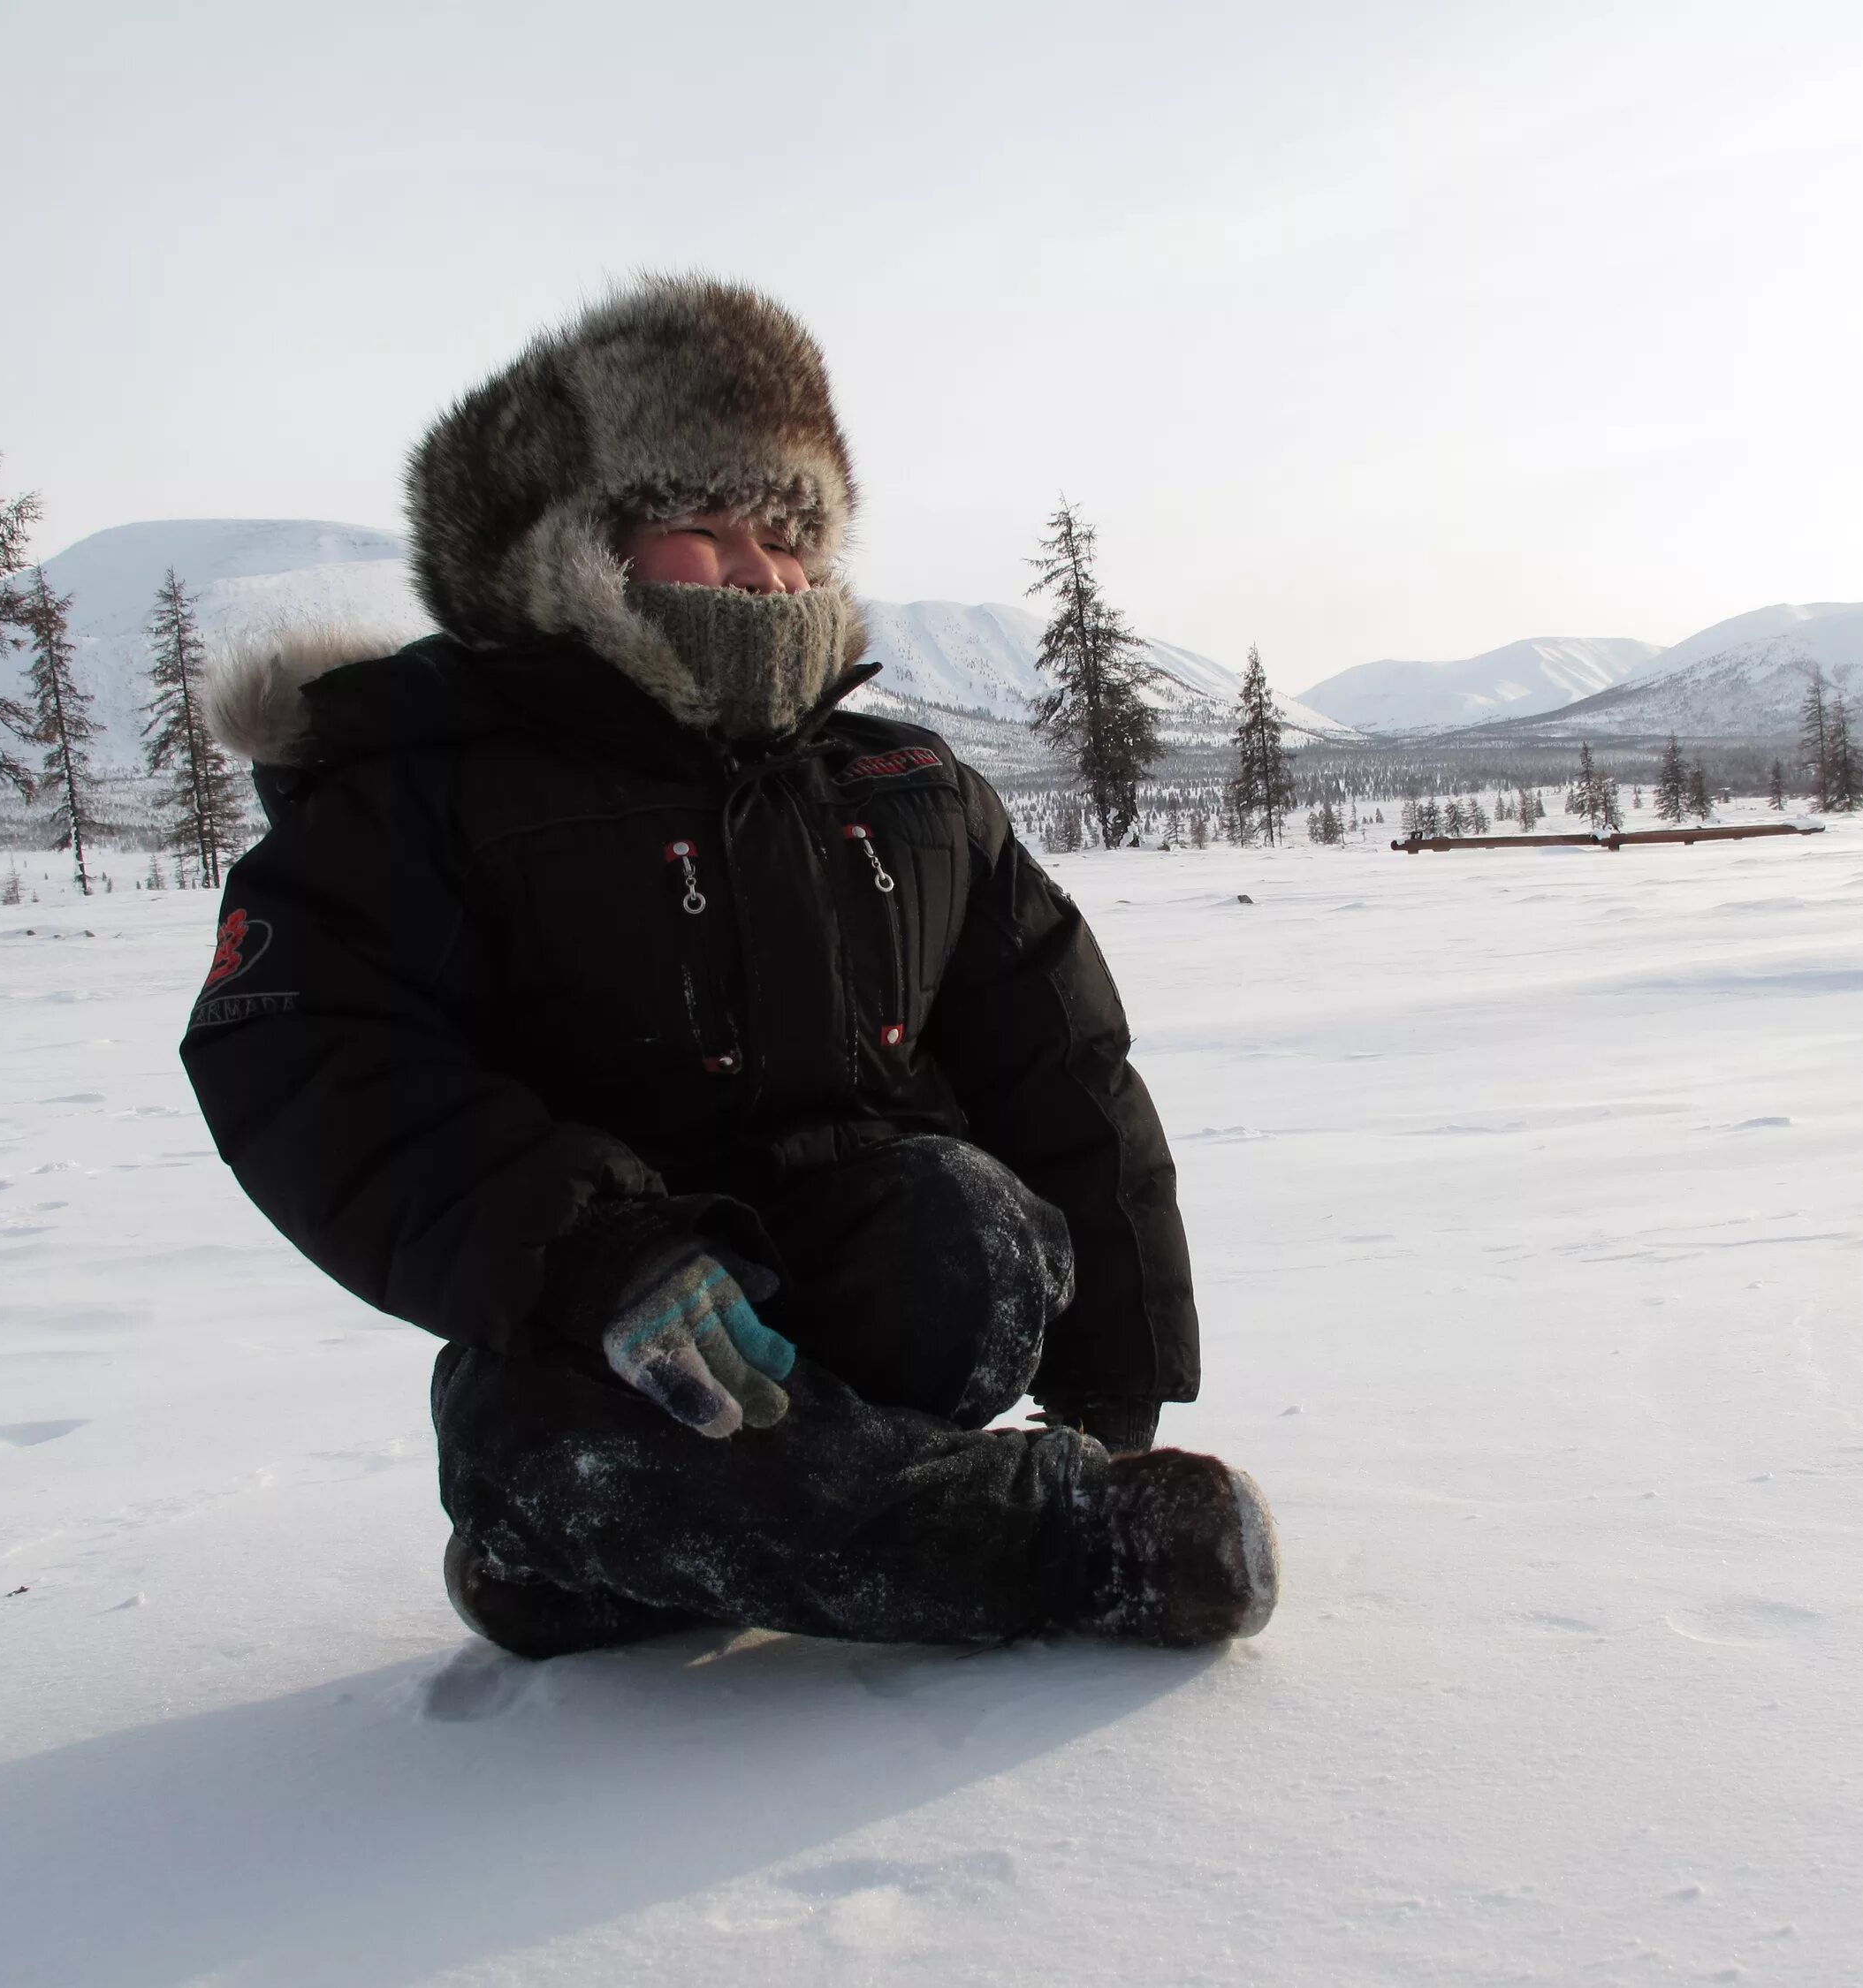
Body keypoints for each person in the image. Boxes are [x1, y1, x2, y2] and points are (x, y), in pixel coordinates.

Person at [179, 276, 1278, 1655]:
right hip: (593, 1339)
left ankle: (672, 1544)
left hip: (863, 1280)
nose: (761, 571)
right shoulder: (427, 790)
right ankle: (1060, 1550)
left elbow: (1066, 1074)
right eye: (703, 529)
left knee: (974, 1232)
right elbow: (308, 1051)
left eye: (787, 534)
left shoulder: (910, 790)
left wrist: (1116, 1381)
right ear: (558, 548)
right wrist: (601, 1253)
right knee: (555, 1440)